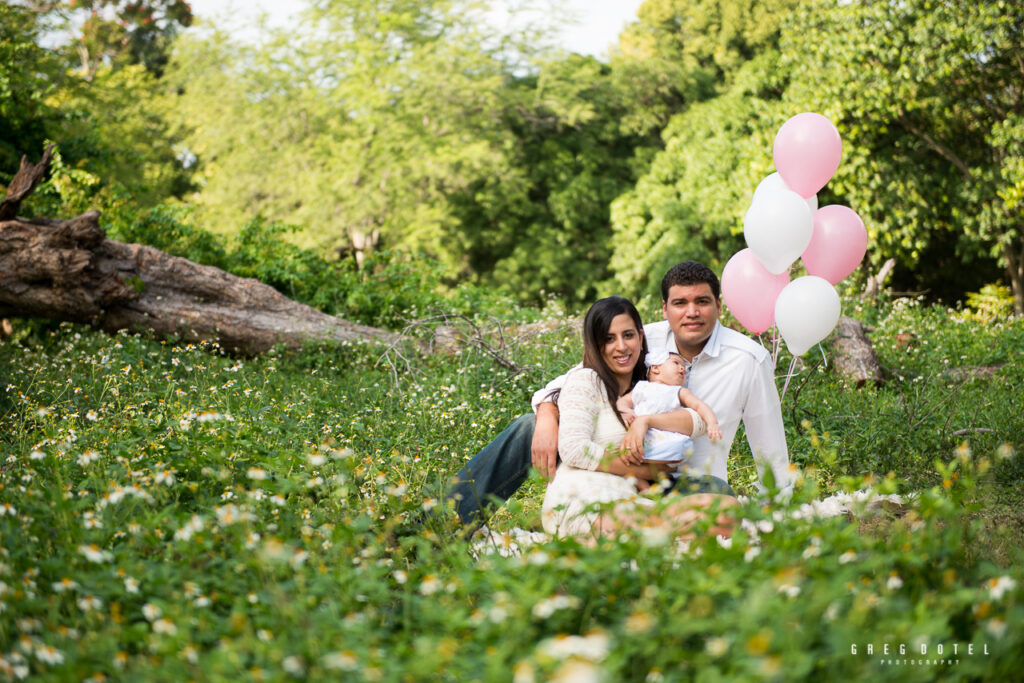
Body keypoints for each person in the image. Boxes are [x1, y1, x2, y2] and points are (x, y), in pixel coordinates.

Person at [447, 261, 791, 527]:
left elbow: (770, 446)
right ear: (664, 308)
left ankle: (643, 527)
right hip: (621, 458)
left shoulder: (748, 360)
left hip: (684, 478)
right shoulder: (642, 337)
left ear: (718, 305)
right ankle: (443, 521)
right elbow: (571, 381)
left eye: (702, 301)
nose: (691, 312)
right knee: (527, 425)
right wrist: (548, 415)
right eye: (680, 303)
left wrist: (780, 514)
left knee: (720, 498)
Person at [539, 296, 701, 536]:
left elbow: (697, 422)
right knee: (677, 526)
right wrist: (646, 471)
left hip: (629, 499)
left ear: (640, 336)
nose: (622, 347)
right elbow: (573, 448)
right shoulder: (587, 380)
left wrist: (646, 421)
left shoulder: (646, 387)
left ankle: (657, 532)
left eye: (628, 335)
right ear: (595, 344)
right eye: (609, 339)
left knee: (727, 509)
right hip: (583, 497)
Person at [616, 348, 723, 465]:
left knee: (682, 446)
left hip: (665, 438)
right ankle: (640, 461)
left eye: (684, 367)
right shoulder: (642, 387)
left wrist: (712, 423)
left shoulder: (679, 391)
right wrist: (625, 410)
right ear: (655, 368)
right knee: (628, 443)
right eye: (676, 363)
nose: (682, 368)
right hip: (642, 435)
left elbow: (699, 405)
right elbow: (622, 402)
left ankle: (643, 460)